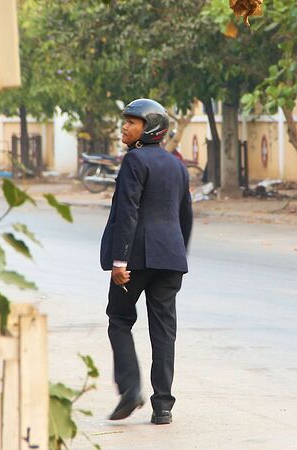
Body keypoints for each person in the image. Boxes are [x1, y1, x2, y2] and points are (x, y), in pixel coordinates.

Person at [100, 98, 193, 425]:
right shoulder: (178, 166)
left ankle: (130, 389)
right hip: (170, 260)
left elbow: (128, 211)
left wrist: (119, 260)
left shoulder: (134, 161)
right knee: (164, 331)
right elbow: (186, 218)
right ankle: (163, 406)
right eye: (126, 121)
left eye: (133, 122)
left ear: (149, 129)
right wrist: (180, 254)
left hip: (136, 259)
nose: (125, 126)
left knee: (119, 318)